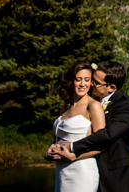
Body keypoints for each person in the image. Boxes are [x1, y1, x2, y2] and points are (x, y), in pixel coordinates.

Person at [50, 60, 129, 192]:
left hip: (116, 175)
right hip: (89, 167)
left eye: (95, 82)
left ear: (112, 88)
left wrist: (73, 147)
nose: (90, 84)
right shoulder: (87, 102)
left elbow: (107, 134)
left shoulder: (124, 105)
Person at [48, 61, 106, 192]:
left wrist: (74, 156)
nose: (82, 84)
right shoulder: (65, 107)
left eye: (86, 80)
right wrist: (51, 151)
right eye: (78, 79)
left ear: (91, 83)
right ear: (71, 81)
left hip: (82, 171)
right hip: (61, 170)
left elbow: (102, 144)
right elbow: (59, 140)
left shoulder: (93, 106)